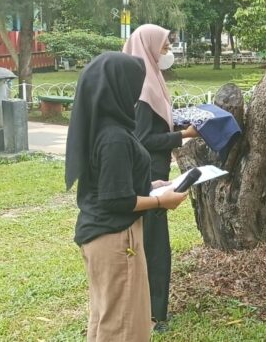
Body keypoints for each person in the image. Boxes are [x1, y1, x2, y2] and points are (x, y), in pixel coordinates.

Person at [65, 52, 189, 341]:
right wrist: (161, 200)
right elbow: (116, 200)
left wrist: (149, 183)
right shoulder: (114, 138)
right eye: (134, 86)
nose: (137, 94)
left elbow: (111, 183)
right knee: (122, 326)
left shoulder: (108, 127)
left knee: (106, 319)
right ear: (119, 88)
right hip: (115, 238)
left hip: (102, 235)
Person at [122, 24, 199, 333]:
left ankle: (151, 309)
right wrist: (183, 135)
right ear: (149, 47)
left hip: (157, 170)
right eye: (164, 47)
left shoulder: (150, 80)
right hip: (148, 175)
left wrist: (176, 123)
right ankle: (155, 315)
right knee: (155, 245)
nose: (167, 53)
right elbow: (142, 139)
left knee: (150, 242)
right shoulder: (142, 90)